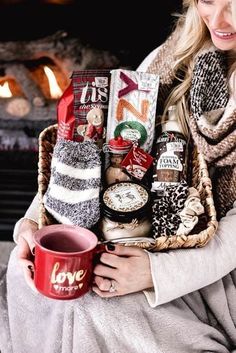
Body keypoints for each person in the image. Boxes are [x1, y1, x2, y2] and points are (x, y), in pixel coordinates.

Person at [1, 1, 236, 352]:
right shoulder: (175, 56)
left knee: (97, 308)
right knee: (38, 280)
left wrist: (157, 274)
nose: (218, 20)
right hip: (139, 225)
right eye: (208, 1)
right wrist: (32, 224)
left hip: (214, 262)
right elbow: (88, 143)